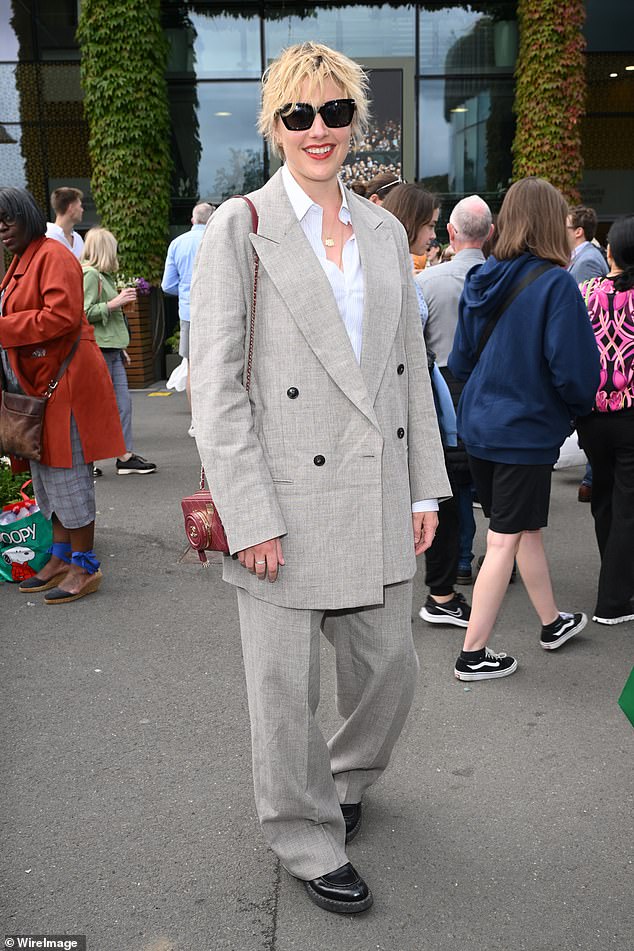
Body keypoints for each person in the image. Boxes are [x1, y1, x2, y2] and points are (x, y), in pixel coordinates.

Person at [190, 42, 450, 914]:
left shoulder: (382, 230)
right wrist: (249, 514)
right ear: (274, 125)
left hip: (375, 490)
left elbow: (406, 368)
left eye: (335, 112)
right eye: (299, 114)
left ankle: (344, 775)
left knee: (392, 669)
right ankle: (303, 833)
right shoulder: (242, 227)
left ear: (356, 123)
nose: (319, 129)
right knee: (282, 689)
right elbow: (218, 393)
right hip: (282, 500)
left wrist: (424, 488)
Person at [448, 177, 601, 681]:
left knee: (521, 526)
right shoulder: (557, 283)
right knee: (504, 539)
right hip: (524, 430)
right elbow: (575, 369)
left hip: (481, 426)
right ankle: (473, 654)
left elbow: (462, 359)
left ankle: (552, 621)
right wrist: (579, 408)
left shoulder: (482, 276)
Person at [0, 187, 125, 602]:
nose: (1, 229)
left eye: (7, 219)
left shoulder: (51, 255)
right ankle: (59, 558)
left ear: (27, 216)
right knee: (47, 478)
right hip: (45, 385)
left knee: (68, 477)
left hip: (64, 384)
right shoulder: (25, 257)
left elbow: (61, 316)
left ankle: (84, 566)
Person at [381, 184, 470, 627]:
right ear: (410, 222)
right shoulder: (394, 271)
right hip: (408, 403)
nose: (433, 234)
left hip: (417, 397)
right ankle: (440, 596)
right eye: (430, 223)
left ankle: (439, 593)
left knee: (434, 498)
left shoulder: (402, 269)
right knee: (438, 498)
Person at [416, 196, 494, 586]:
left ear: (450, 232)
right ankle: (504, 555)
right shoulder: (506, 279)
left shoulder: (426, 282)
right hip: (495, 387)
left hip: (445, 388)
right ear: (491, 234)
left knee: (454, 481)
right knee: (498, 478)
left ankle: (461, 560)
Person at [576, 215, 634, 625]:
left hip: (592, 414)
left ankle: (613, 578)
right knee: (628, 505)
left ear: (609, 251)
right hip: (631, 412)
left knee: (604, 499)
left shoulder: (586, 291)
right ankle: (613, 600)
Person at [81, 228, 157, 475]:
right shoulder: (91, 275)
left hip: (111, 348)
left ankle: (124, 455)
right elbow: (83, 313)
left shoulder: (103, 276)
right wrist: (116, 303)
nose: (116, 254)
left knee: (122, 404)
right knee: (98, 406)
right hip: (99, 350)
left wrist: (120, 346)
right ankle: (88, 460)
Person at [161, 201, 215, 433]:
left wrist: (185, 290)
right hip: (218, 310)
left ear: (193, 220)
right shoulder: (218, 239)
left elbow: (167, 285)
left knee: (193, 367)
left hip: (189, 312)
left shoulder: (178, 243)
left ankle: (197, 423)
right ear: (211, 219)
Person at [567, 205, 608, 503]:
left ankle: (593, 480)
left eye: (567, 227)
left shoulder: (587, 262)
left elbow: (586, 311)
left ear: (579, 231)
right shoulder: (583, 259)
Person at [45, 186, 85, 259]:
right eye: (80, 206)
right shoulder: (47, 237)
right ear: (71, 208)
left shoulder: (78, 239)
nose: (82, 210)